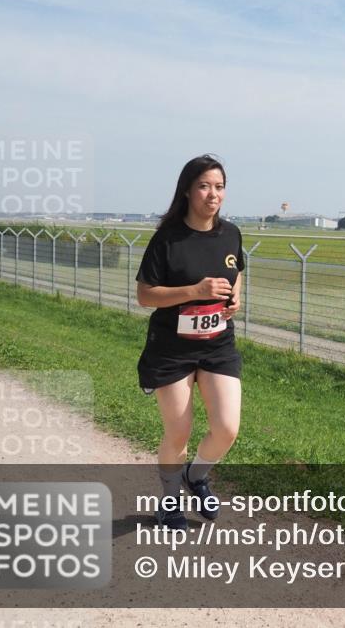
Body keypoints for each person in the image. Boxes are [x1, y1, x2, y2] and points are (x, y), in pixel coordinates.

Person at [135, 154, 245, 530]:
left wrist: (235, 299)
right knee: (178, 431)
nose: (213, 194)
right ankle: (169, 500)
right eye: (204, 186)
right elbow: (146, 295)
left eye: (219, 186)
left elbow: (237, 271)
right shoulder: (168, 239)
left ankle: (195, 476)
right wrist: (194, 290)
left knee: (227, 428)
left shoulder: (231, 233)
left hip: (217, 345)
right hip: (172, 349)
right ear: (187, 191)